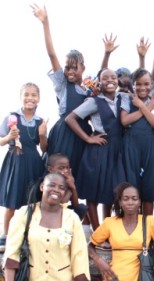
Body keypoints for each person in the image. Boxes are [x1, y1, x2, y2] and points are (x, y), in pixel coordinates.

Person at [31, 4, 92, 178]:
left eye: (74, 68)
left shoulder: (89, 91)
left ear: (83, 68)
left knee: (75, 176)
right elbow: (52, 55)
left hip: (81, 135)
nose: (70, 72)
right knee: (56, 174)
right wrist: (45, 22)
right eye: (67, 68)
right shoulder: (63, 86)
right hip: (63, 134)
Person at [65, 68, 126, 231]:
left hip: (116, 151)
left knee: (113, 192)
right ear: (99, 82)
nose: (110, 81)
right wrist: (87, 138)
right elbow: (70, 118)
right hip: (99, 150)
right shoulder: (94, 101)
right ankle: (97, 231)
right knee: (94, 192)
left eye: (113, 77)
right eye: (105, 78)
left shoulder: (123, 98)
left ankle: (109, 229)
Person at [3, 172, 90, 281]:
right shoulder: (24, 213)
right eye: (52, 185)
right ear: (42, 187)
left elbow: (79, 257)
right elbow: (12, 255)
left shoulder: (72, 219)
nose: (56, 190)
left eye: (61, 188)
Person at [0, 82, 47, 252]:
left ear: (39, 99)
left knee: (32, 202)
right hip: (15, 160)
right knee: (12, 201)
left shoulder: (40, 121)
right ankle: (5, 237)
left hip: (33, 161)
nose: (30, 98)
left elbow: (44, 148)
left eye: (34, 95)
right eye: (26, 94)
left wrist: (42, 134)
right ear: (21, 97)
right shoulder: (12, 117)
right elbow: (0, 141)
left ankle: (28, 237)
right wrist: (8, 137)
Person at [88, 182, 154, 281]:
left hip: (142, 276)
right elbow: (90, 246)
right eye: (126, 199)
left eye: (134, 198)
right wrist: (99, 261)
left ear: (139, 202)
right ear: (120, 202)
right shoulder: (110, 223)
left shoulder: (149, 221)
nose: (130, 202)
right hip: (115, 277)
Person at [121, 68, 154, 215]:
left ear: (151, 83)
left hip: (150, 147)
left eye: (146, 84)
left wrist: (144, 106)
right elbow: (125, 121)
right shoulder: (128, 99)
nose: (142, 88)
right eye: (138, 84)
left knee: (148, 189)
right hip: (131, 146)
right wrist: (144, 108)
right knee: (131, 187)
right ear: (133, 85)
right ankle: (132, 225)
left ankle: (147, 228)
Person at [46, 153, 88, 222]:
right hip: (49, 212)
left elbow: (75, 205)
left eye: (67, 168)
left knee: (81, 208)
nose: (65, 171)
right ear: (50, 169)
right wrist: (68, 190)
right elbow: (61, 203)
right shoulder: (47, 182)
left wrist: (72, 187)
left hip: (61, 212)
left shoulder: (67, 181)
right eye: (61, 168)